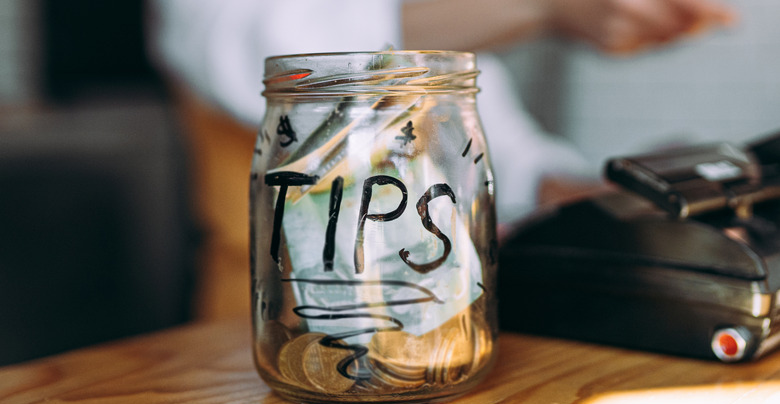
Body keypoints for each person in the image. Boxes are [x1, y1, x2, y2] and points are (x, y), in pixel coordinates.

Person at [146, 0, 734, 320]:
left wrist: (595, 203)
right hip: (280, 312)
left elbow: (481, 137)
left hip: (449, 316)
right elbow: (263, 46)